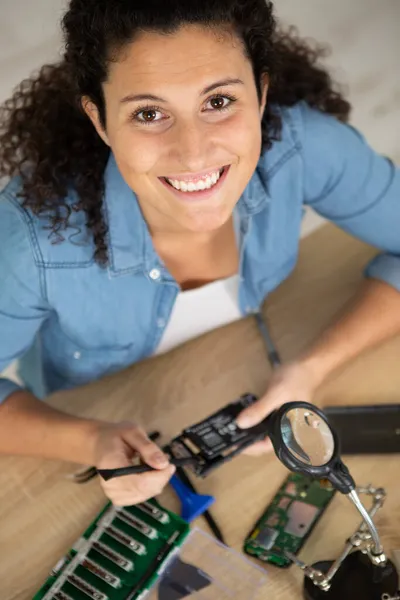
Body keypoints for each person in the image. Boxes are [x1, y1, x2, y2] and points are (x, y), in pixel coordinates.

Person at [0, 0, 399, 507]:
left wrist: (312, 368)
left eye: (218, 102)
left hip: (244, 358)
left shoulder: (304, 145)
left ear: (261, 93)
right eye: (149, 113)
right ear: (99, 121)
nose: (193, 153)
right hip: (93, 408)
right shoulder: (27, 240)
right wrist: (89, 440)